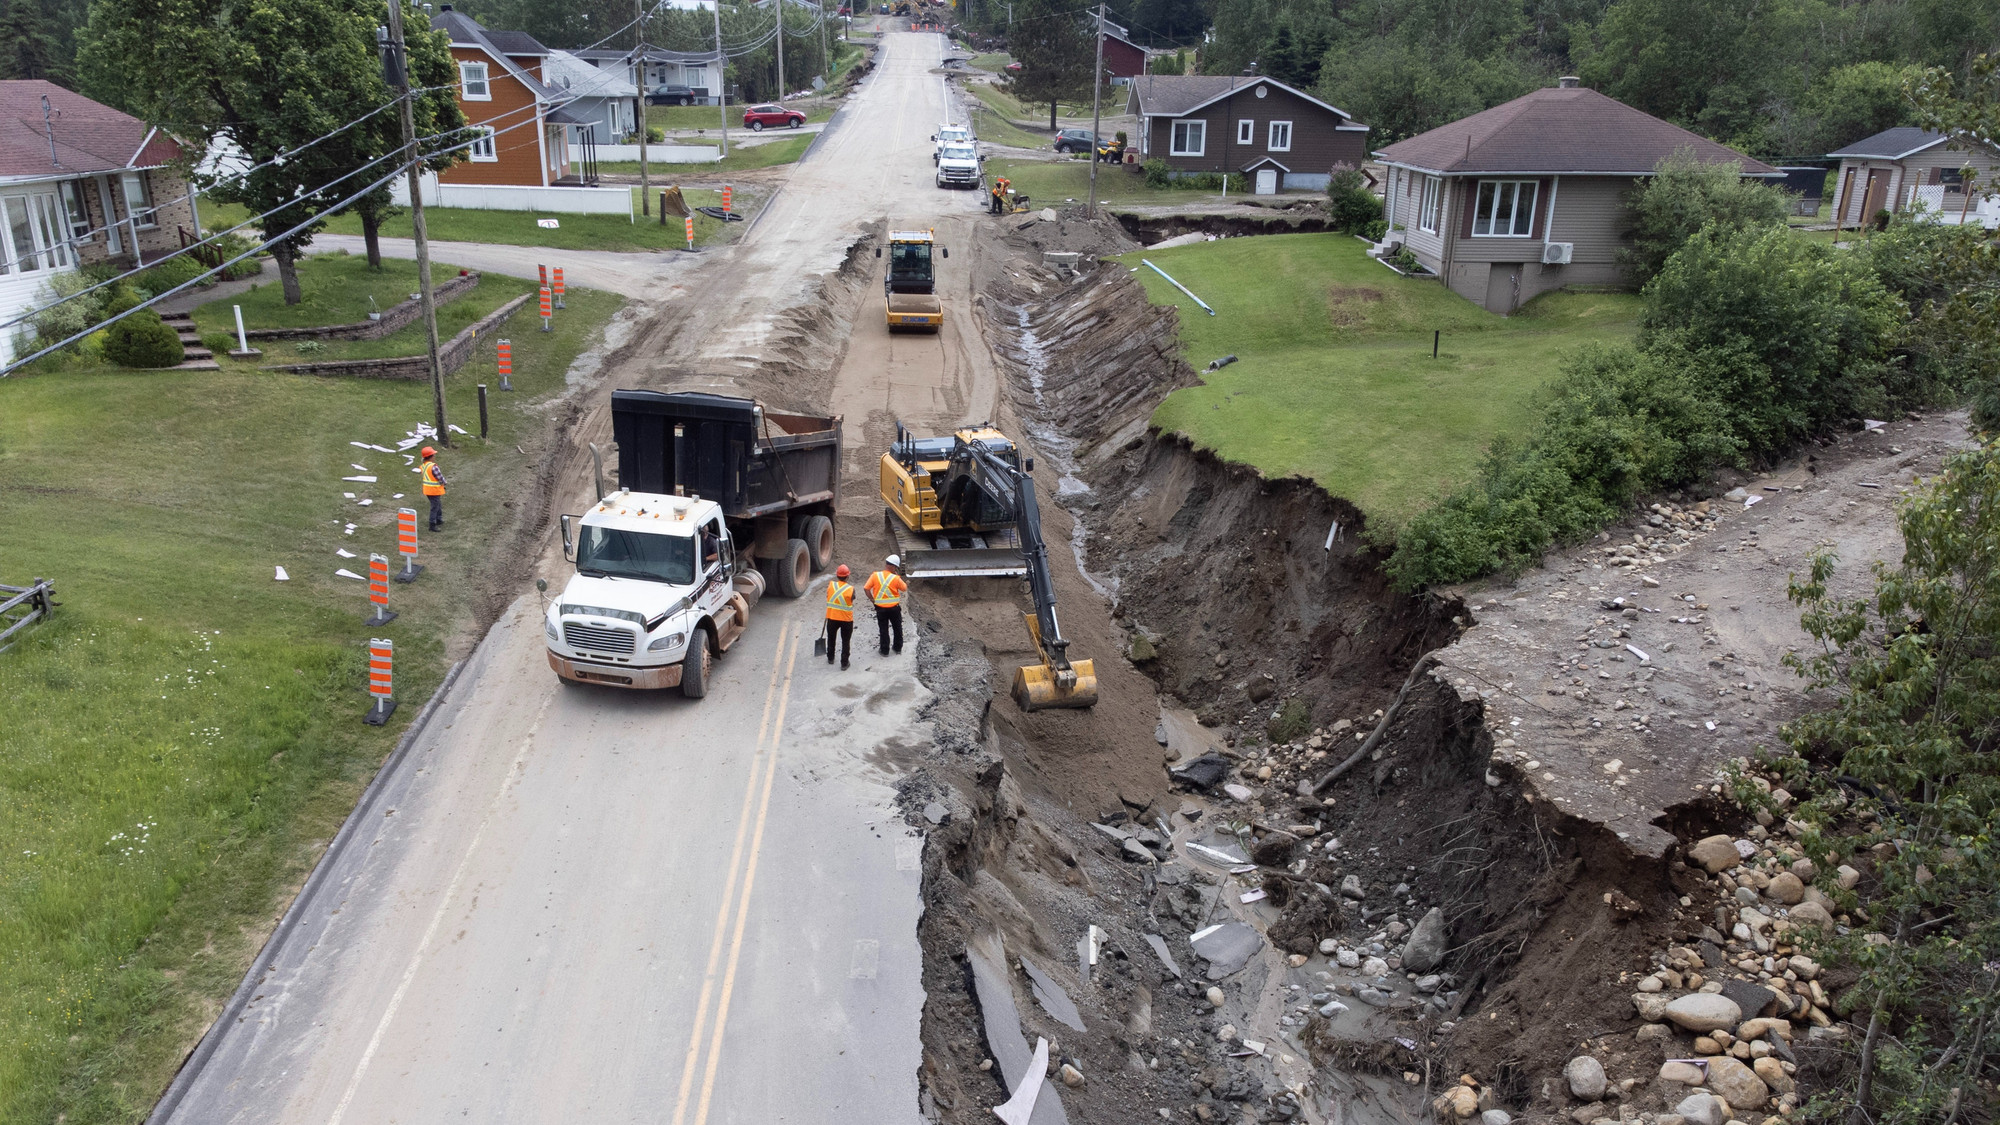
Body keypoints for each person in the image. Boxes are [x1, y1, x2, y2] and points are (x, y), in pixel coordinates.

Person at [864, 554, 908, 656]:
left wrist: (872, 600)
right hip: (894, 609)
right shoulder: (895, 578)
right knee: (897, 628)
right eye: (896, 567)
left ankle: (884, 651)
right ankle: (897, 648)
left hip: (880, 609)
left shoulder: (875, 575)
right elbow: (904, 588)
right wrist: (897, 576)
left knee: (883, 629)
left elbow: (866, 588)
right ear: (893, 566)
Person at [824, 564, 856, 669]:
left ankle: (830, 658)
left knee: (831, 638)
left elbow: (828, 596)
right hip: (846, 619)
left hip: (832, 617)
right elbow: (852, 599)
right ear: (848, 576)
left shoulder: (831, 585)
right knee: (845, 641)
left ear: (837, 575)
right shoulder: (851, 589)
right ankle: (844, 663)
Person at [420, 446, 447, 531]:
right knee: (435, 507)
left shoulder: (423, 466)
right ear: (430, 456)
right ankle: (432, 524)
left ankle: (438, 519)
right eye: (433, 455)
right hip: (434, 490)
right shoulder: (433, 466)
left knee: (437, 504)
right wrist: (444, 482)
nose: (435, 456)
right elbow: (440, 477)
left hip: (428, 490)